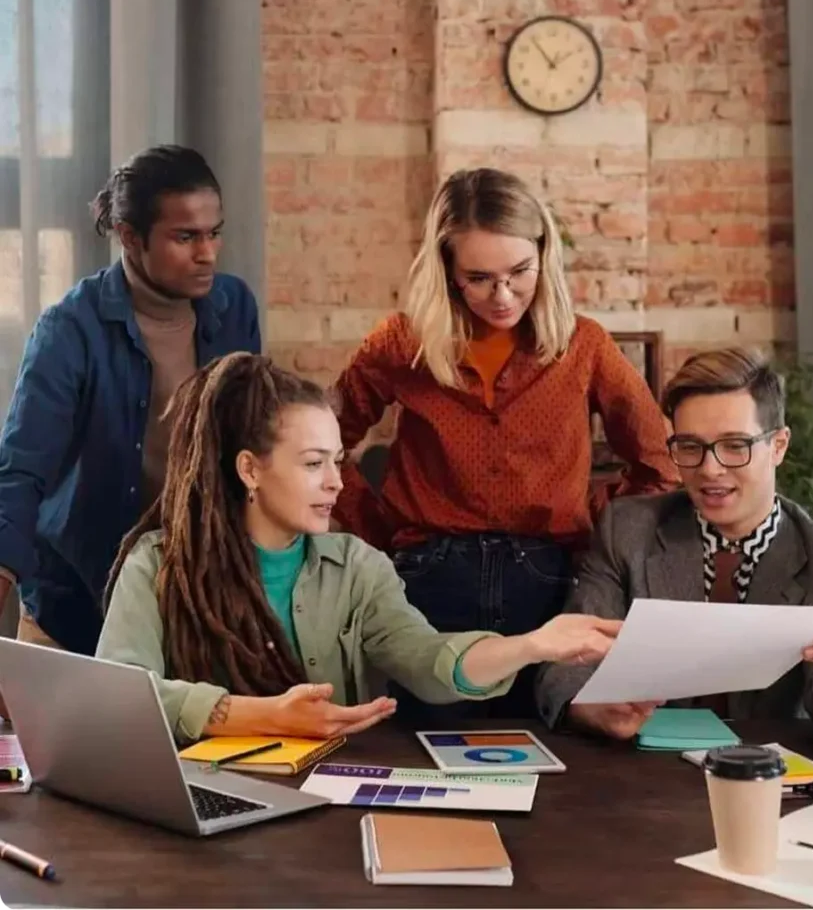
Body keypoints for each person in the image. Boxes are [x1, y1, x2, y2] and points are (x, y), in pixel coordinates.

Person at [96, 354, 620, 745]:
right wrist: (261, 716)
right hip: (203, 804)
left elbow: (428, 660)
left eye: (338, 460)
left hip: (328, 809)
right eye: (312, 463)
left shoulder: (358, 567)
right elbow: (119, 696)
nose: (336, 483)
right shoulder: (159, 565)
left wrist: (532, 645)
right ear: (250, 468)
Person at [332, 167, 678, 720]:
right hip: (426, 583)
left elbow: (660, 464)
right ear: (447, 270)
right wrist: (380, 530)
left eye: (520, 272)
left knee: (550, 759)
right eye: (479, 277)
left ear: (545, 254)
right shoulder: (401, 344)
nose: (503, 295)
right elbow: (325, 446)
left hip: (545, 582)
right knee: (427, 753)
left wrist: (585, 515)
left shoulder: (584, 346)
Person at [536, 347, 813, 742]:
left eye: (734, 446)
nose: (710, 469)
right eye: (690, 447)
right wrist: (592, 709)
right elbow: (563, 668)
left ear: (778, 446)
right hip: (644, 778)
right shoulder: (627, 530)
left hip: (774, 780)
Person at [0, 145, 259, 656]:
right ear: (129, 236)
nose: (207, 253)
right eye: (185, 237)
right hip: (76, 602)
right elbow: (21, 474)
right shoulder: (70, 329)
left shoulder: (234, 308)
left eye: (214, 232)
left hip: (195, 601)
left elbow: (249, 442)